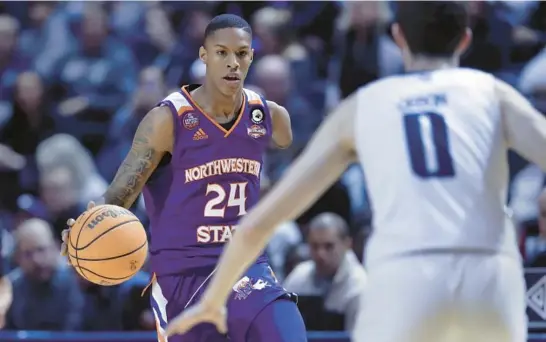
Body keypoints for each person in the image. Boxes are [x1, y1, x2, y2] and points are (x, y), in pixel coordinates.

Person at [164, 2, 543, 342]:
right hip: (490, 272)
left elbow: (259, 221)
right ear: (465, 40)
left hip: (405, 274)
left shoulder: (365, 105)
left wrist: (214, 300)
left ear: (398, 37)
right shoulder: (494, 93)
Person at [60, 14, 306, 342]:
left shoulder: (265, 113)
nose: (233, 63)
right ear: (204, 56)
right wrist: (84, 231)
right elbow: (118, 197)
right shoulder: (167, 120)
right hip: (182, 280)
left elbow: (286, 137)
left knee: (287, 330)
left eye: (242, 53)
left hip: (245, 269)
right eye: (222, 53)